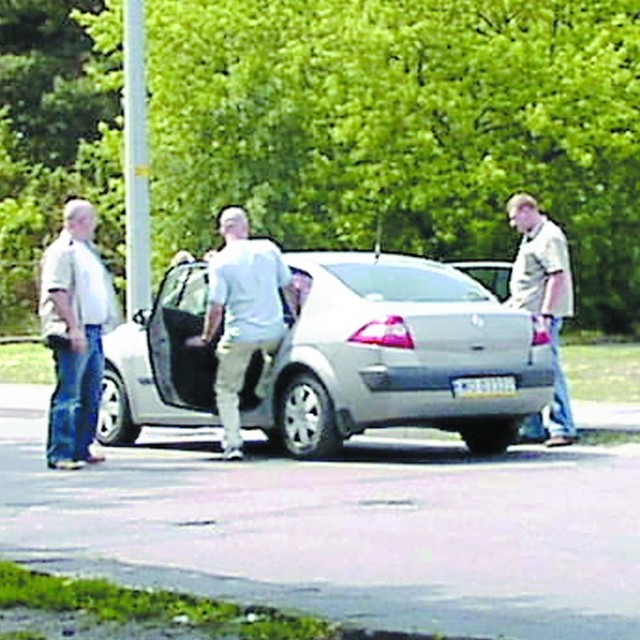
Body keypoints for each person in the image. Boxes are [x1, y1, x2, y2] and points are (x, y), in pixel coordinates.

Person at [185, 206, 295, 460]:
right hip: (274, 331)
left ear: (223, 230)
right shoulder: (268, 249)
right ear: (247, 227)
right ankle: (262, 387)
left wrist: (206, 338)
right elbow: (289, 287)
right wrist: (295, 319)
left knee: (226, 389)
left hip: (239, 335)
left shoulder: (220, 262)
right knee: (272, 360)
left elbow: (215, 307)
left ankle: (233, 443)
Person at [39, 198, 121, 470]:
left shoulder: (88, 251)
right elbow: (57, 291)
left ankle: (81, 446)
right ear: (75, 221)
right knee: (69, 394)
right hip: (74, 329)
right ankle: (60, 452)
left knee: (91, 392)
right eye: (89, 220)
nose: (93, 225)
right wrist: (73, 327)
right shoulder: (62, 251)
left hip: (94, 329)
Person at [505, 192, 578, 447]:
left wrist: (546, 314)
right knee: (531, 371)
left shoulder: (549, 236)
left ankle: (563, 427)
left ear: (527, 210)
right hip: (525, 315)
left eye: (515, 218)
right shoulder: (530, 238)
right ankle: (533, 427)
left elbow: (557, 276)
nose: (513, 224)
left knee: (549, 369)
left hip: (542, 317)